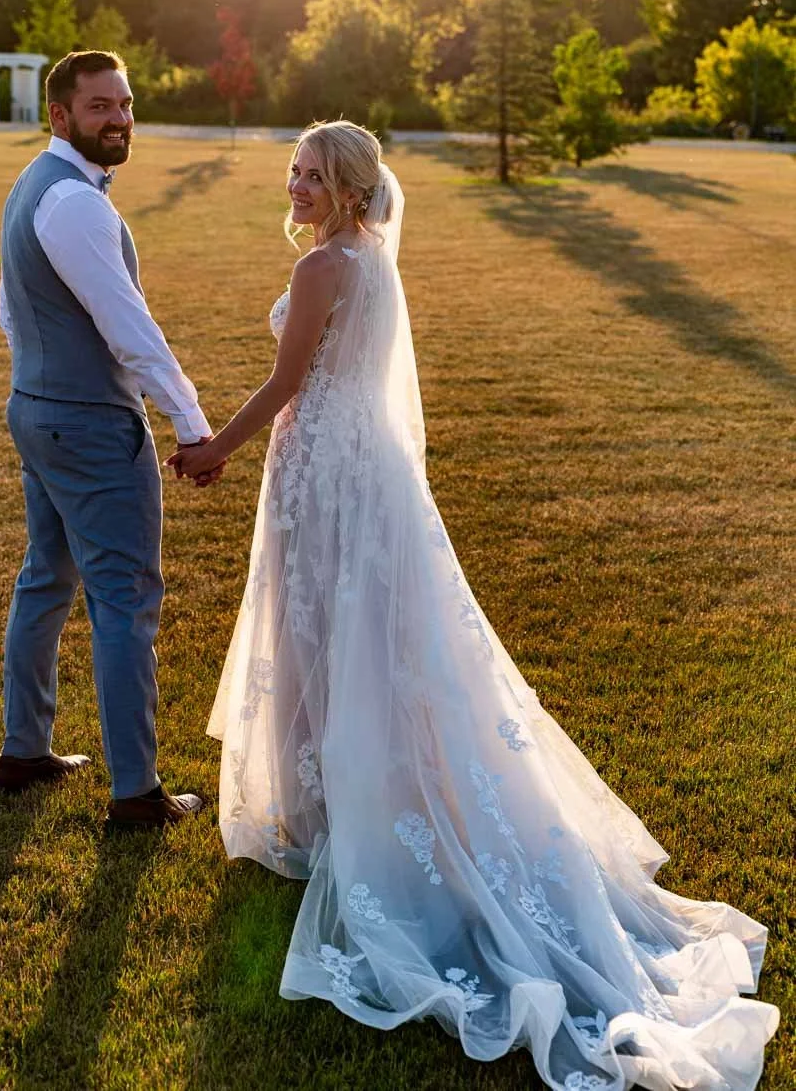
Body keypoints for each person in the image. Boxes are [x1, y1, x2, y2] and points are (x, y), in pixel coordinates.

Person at [168, 119, 779, 1091]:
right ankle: (339, 808)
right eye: (293, 170)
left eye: (313, 176)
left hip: (324, 470)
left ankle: (338, 823)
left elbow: (286, 385)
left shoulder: (329, 266)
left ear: (351, 191)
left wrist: (212, 451)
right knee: (363, 642)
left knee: (324, 637)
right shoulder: (370, 262)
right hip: (361, 471)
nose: (294, 186)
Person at [0, 49, 215, 830]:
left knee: (46, 580)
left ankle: (24, 751)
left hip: (38, 410)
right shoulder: (77, 205)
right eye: (99, 107)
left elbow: (10, 312)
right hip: (87, 423)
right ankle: (137, 793)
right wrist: (192, 423)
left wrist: (37, 381)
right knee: (124, 601)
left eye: (124, 104)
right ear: (60, 115)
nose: (118, 119)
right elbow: (131, 330)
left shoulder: (34, 184)